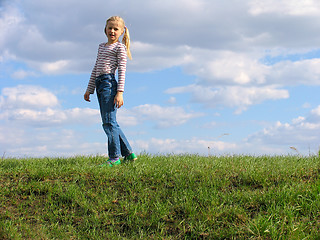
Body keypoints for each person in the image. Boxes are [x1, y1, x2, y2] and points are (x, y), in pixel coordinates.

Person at [84, 16, 137, 167]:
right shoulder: (101, 46)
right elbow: (96, 68)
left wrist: (120, 92)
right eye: (110, 28)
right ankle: (128, 154)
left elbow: (122, 71)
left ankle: (114, 158)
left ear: (121, 32)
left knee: (108, 123)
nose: (112, 31)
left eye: (116, 29)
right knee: (110, 122)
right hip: (99, 84)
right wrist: (89, 88)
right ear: (105, 29)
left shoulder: (120, 48)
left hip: (109, 85)